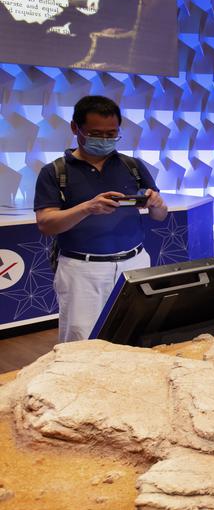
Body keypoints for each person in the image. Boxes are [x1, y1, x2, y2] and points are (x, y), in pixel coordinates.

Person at [34, 95, 167, 342]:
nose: (104, 140)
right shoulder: (55, 171)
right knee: (80, 339)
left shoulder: (132, 166)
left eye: (111, 134)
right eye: (96, 133)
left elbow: (159, 216)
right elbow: (46, 224)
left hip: (134, 264)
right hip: (81, 270)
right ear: (75, 128)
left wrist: (158, 205)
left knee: (138, 333)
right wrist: (87, 208)